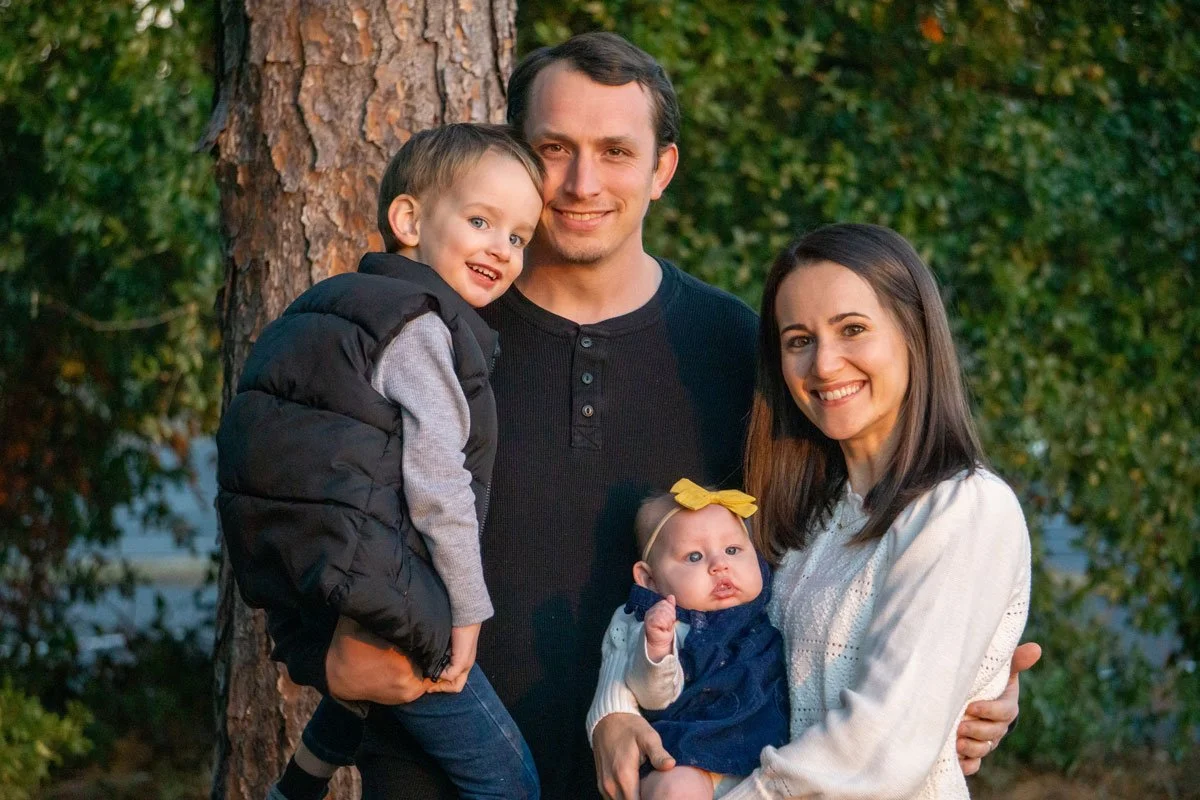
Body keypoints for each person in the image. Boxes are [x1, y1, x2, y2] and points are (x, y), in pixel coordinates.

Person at [322, 33, 1037, 799]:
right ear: (523, 163)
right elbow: (309, 509)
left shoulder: (740, 352)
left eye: (616, 151)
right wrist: (322, 651)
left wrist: (972, 680)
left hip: (679, 778)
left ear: (662, 168)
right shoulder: (433, 336)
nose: (582, 180)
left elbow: (854, 566)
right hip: (438, 779)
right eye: (554, 148)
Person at [591, 223, 1032, 798]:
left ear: (914, 333)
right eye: (798, 340)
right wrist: (613, 711)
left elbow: (880, 751)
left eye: (853, 330)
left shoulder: (963, 508)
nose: (824, 365)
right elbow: (695, 631)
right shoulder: (807, 518)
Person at [215, 124, 544, 800]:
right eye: (482, 220)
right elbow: (437, 485)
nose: (501, 249)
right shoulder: (423, 330)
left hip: (312, 575)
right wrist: (466, 616)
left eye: (518, 237)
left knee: (365, 685)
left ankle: (295, 787)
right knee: (510, 778)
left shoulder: (333, 305)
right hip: (387, 586)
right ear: (407, 219)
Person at [588, 480, 789, 800]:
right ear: (649, 579)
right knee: (675, 789)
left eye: (733, 550)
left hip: (768, 757)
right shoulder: (660, 624)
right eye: (694, 556)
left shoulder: (773, 606)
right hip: (688, 756)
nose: (720, 564)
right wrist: (656, 649)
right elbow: (651, 696)